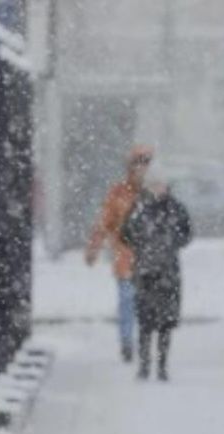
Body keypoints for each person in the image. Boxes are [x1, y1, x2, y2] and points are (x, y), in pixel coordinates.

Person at [120, 177, 192, 381]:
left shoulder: (176, 208)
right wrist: (142, 243)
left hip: (168, 272)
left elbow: (187, 234)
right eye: (154, 184)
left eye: (161, 184)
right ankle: (144, 365)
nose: (157, 188)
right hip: (144, 272)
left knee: (165, 322)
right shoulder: (138, 208)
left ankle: (162, 365)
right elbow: (125, 234)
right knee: (145, 320)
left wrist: (171, 241)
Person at [86, 145, 153, 362]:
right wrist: (94, 248)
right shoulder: (118, 193)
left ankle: (145, 341)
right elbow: (104, 222)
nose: (141, 169)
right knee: (127, 300)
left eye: (146, 164)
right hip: (125, 257)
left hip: (151, 259)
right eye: (138, 164)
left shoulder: (154, 193)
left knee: (147, 302)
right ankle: (127, 341)